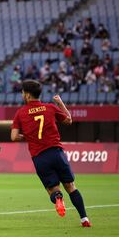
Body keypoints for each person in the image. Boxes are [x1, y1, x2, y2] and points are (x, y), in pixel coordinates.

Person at [11, 79, 91, 227]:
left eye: (23, 93)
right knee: (71, 186)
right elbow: (69, 121)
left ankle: (58, 198)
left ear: (28, 95)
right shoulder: (50, 108)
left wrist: (28, 136)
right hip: (56, 153)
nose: (22, 95)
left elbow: (14, 137)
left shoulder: (20, 113)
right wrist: (60, 103)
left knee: (52, 189)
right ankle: (84, 219)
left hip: (40, 157)